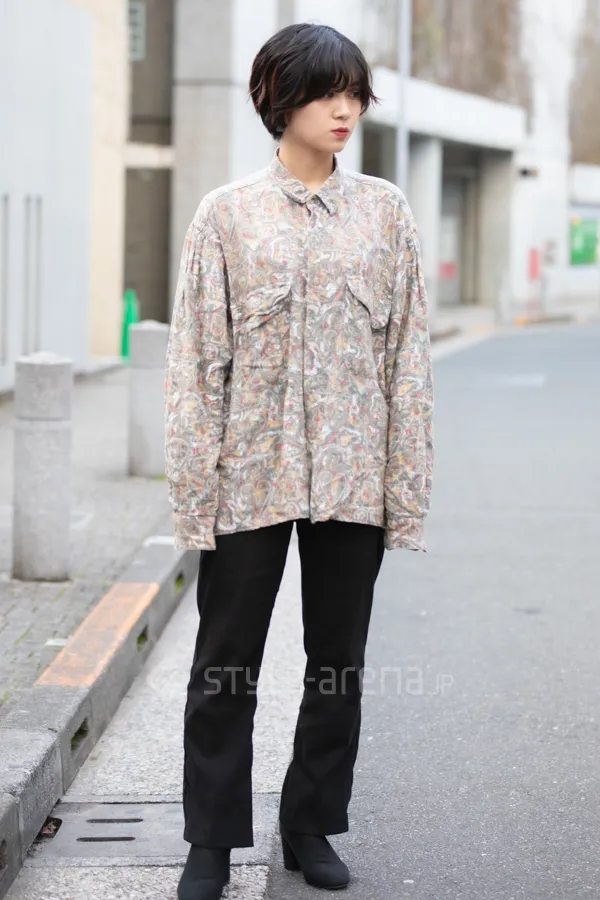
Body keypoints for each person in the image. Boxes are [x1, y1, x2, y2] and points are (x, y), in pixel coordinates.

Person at [165, 21, 433, 900]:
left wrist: (404, 492)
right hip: (249, 474)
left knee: (337, 663)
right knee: (224, 664)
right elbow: (196, 364)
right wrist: (194, 494)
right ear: (278, 99)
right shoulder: (227, 215)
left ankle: (310, 824)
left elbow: (407, 361)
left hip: (352, 480)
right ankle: (210, 841)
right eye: (327, 93)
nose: (345, 109)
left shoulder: (385, 213)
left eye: (354, 93)